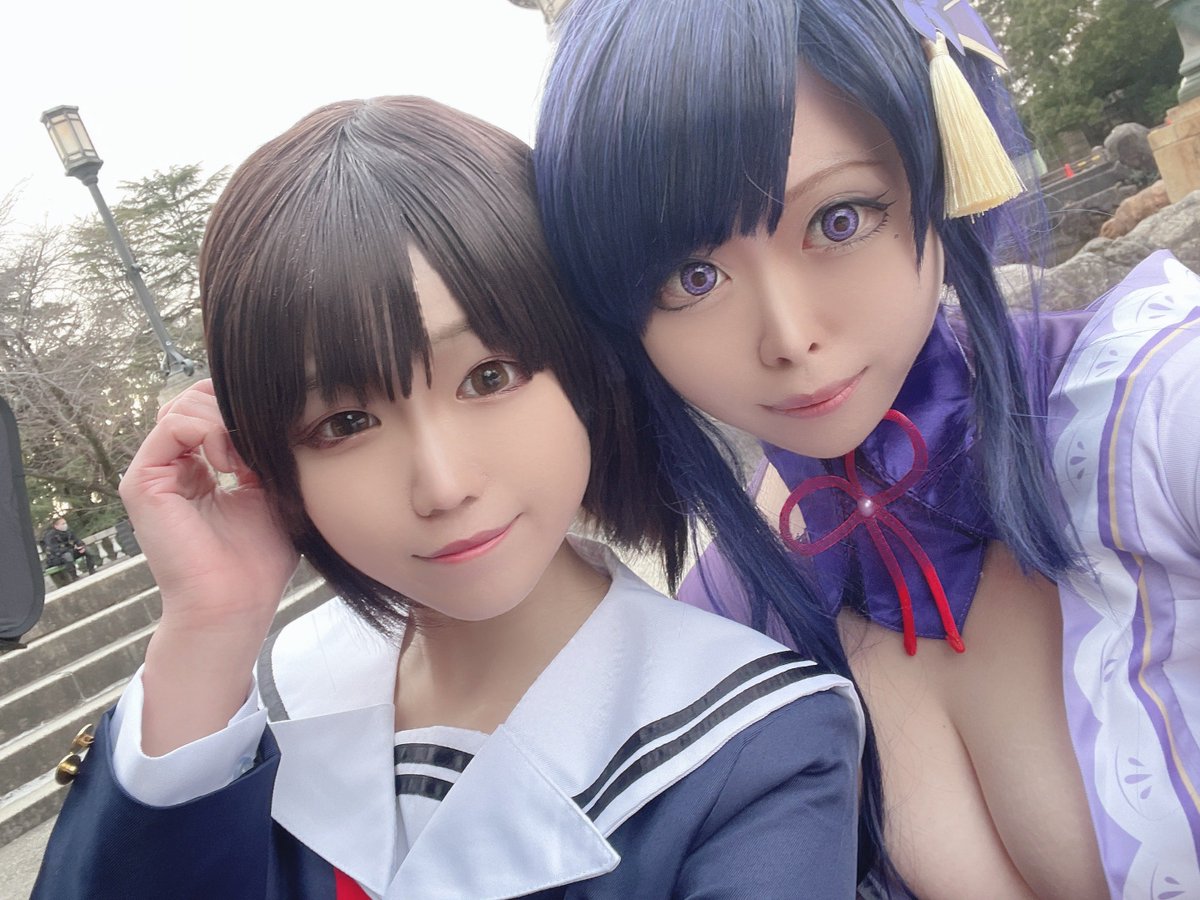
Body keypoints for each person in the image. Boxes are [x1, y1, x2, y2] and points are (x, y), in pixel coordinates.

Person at [32, 96, 865, 899]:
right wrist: (209, 630)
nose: (442, 484)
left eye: (489, 376)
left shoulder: (760, 753)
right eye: (346, 422)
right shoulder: (255, 716)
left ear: (584, 369)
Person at [533, 0, 1200, 896]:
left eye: (840, 219)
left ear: (939, 166)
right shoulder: (728, 614)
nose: (789, 337)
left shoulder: (1158, 413)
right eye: (693, 277)